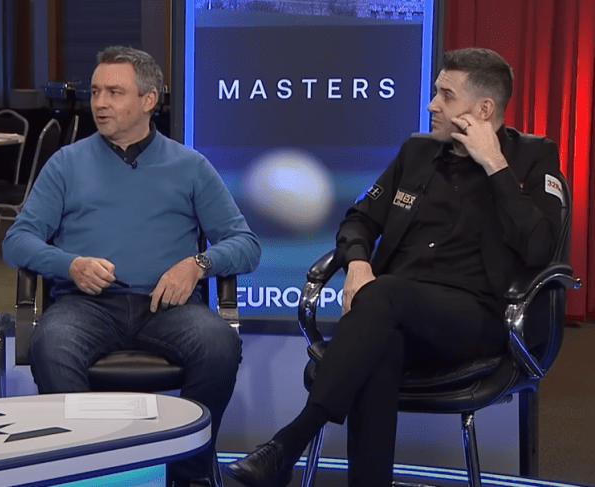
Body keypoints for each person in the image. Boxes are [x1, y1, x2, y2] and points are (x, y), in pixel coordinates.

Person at [222, 47, 564, 487]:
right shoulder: (417, 153)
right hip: (393, 315)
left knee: (384, 297)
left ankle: (291, 441)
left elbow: (542, 249)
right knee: (378, 345)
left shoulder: (532, 159)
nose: (431, 104)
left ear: (483, 109)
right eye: (434, 92)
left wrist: (493, 163)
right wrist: (360, 263)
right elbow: (359, 219)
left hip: (479, 319)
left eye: (445, 94)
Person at [3, 46, 261, 487]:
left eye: (115, 92)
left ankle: (188, 473)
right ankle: (87, 473)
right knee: (52, 346)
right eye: (97, 91)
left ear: (148, 100)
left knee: (219, 345)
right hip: (86, 307)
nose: (99, 103)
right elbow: (17, 242)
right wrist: (71, 264)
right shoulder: (66, 163)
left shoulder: (190, 166)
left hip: (169, 308)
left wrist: (198, 264)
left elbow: (246, 245)